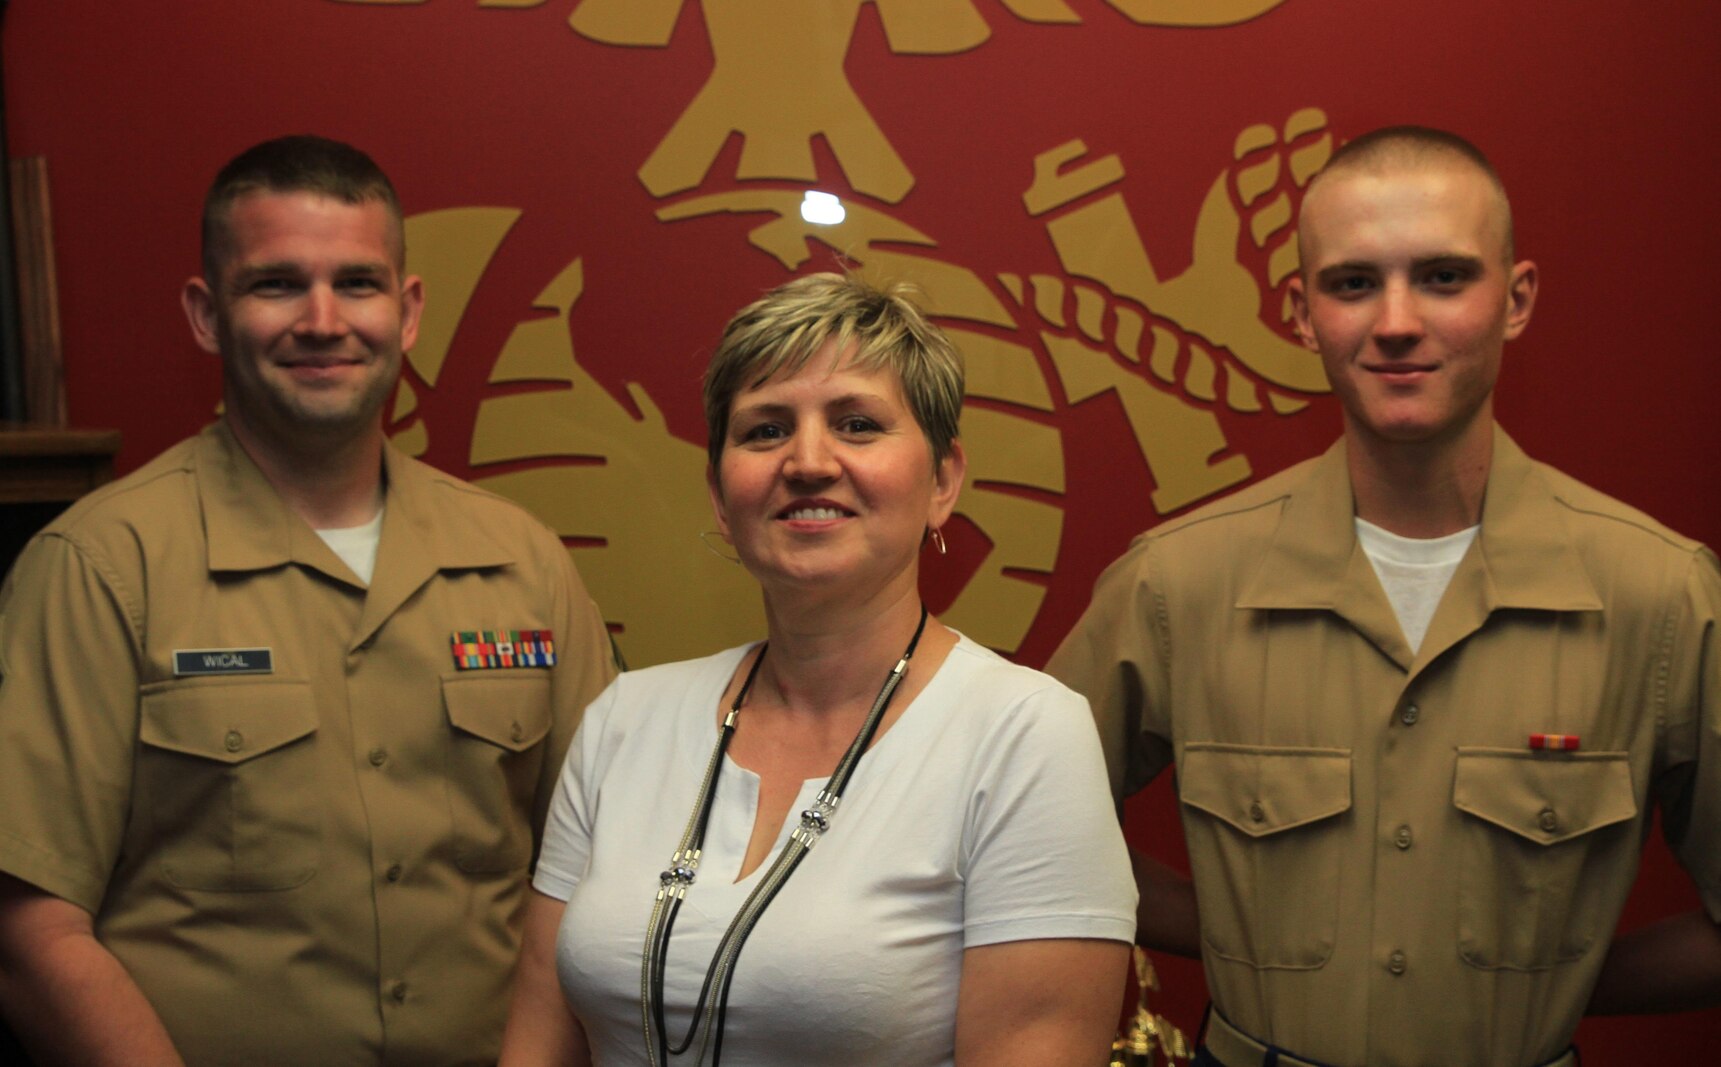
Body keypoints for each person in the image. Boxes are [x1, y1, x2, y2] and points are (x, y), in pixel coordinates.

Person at [1047, 126, 1721, 1067]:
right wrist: (1254, 943)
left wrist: (1545, 979)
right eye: (1353, 282)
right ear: (1298, 310)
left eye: (1443, 277)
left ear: (1515, 299)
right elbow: (1009, 829)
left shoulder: (1658, 595)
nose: (1396, 320)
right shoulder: (1177, 581)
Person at [0, 135, 616, 1065]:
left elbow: (590, 885)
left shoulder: (521, 562)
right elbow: (31, 928)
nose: (323, 320)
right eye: (277, 284)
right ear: (207, 314)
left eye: (358, 284)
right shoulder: (100, 566)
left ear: (407, 313)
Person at [499, 272, 1136, 1066]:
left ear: (942, 480)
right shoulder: (624, 719)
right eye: (764, 430)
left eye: (857, 424)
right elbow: (537, 1043)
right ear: (719, 495)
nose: (806, 461)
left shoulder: (1024, 735)